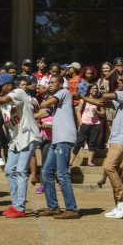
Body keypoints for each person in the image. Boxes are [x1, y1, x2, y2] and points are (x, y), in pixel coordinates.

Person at [82, 72, 123, 219]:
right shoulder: (122, 96)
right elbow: (102, 103)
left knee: (109, 167)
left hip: (122, 139)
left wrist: (102, 89)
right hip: (115, 139)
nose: (119, 82)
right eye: (119, 80)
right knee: (114, 172)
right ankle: (120, 206)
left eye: (122, 80)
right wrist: (82, 98)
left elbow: (106, 97)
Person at [0, 73, 39, 218]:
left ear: (9, 85)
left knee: (21, 171)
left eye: (0, 86)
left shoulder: (19, 92)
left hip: (28, 136)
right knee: (9, 170)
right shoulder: (0, 100)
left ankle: (20, 208)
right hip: (16, 140)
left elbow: (4, 99)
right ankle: (15, 204)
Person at [37, 75, 80, 219]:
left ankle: (72, 209)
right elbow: (41, 113)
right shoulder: (56, 100)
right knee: (47, 172)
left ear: (61, 84)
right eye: (49, 83)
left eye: (53, 83)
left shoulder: (63, 93)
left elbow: (44, 105)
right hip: (56, 139)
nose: (50, 85)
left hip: (64, 138)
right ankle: (53, 207)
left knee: (62, 173)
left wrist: (37, 99)